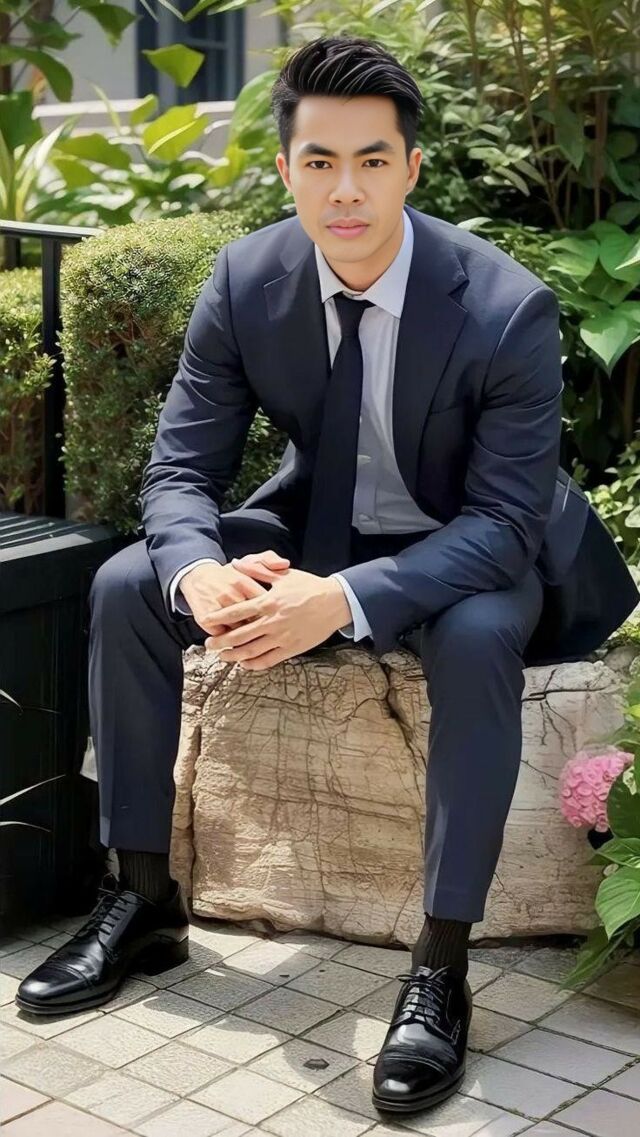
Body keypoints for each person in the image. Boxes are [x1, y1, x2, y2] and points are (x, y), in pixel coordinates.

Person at [15, 34, 639, 1117]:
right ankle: (144, 899)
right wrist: (197, 571)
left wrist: (340, 603)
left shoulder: (505, 307)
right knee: (127, 586)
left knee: (475, 636)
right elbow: (180, 468)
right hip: (323, 522)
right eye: (319, 162)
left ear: (410, 168)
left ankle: (439, 967)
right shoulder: (247, 278)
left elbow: (503, 521)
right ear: (287, 168)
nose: (344, 190)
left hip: (470, 546)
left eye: (370, 161)